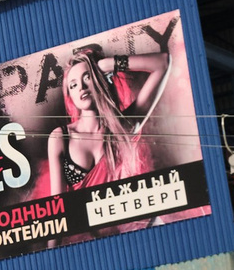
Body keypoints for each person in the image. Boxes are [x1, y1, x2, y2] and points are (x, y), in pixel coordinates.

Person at [45, 45, 169, 196]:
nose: (81, 87)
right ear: (70, 95)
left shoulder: (123, 126)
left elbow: (162, 63)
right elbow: (57, 204)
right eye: (73, 85)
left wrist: (108, 64)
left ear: (100, 79)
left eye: (87, 77)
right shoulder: (61, 137)